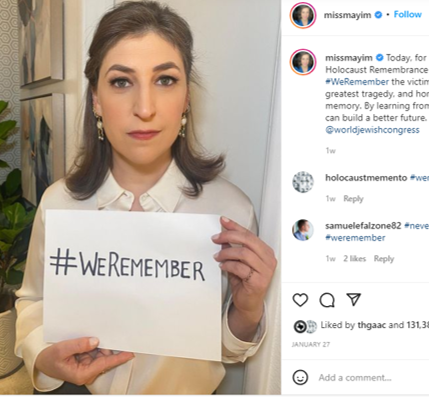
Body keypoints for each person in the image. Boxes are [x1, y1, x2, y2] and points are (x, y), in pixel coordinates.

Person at [14, 1, 277, 394]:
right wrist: (42, 356)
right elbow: (33, 303)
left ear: (187, 96)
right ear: (97, 100)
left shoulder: (229, 213)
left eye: (165, 80)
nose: (145, 108)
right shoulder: (59, 204)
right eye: (122, 81)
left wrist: (248, 308)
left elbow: (221, 349)